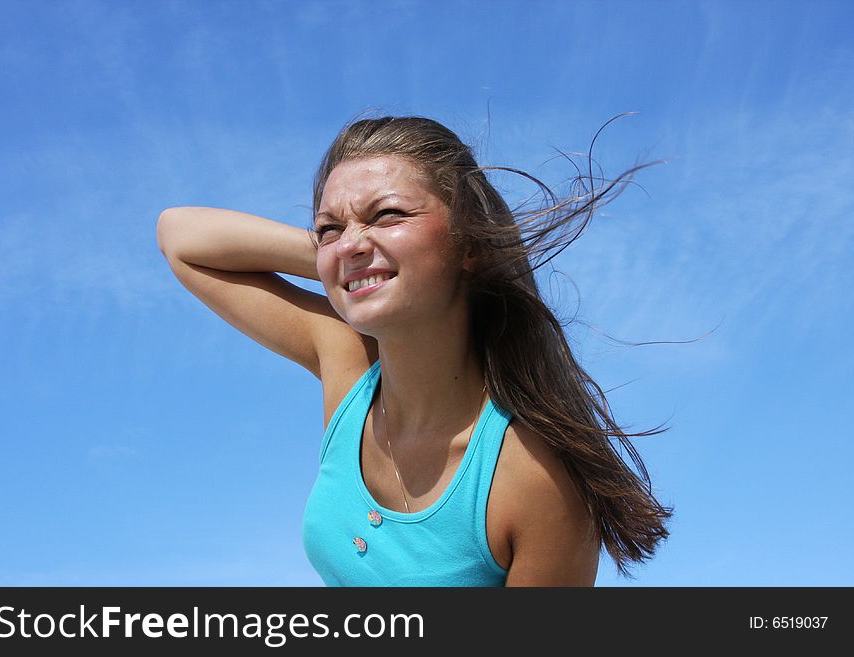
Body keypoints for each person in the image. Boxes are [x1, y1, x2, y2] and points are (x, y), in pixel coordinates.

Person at [156, 114, 673, 587]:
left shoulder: (533, 479)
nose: (350, 239)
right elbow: (180, 235)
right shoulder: (348, 363)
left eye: (387, 215)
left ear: (470, 245)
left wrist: (363, 259)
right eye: (328, 226)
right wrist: (345, 262)